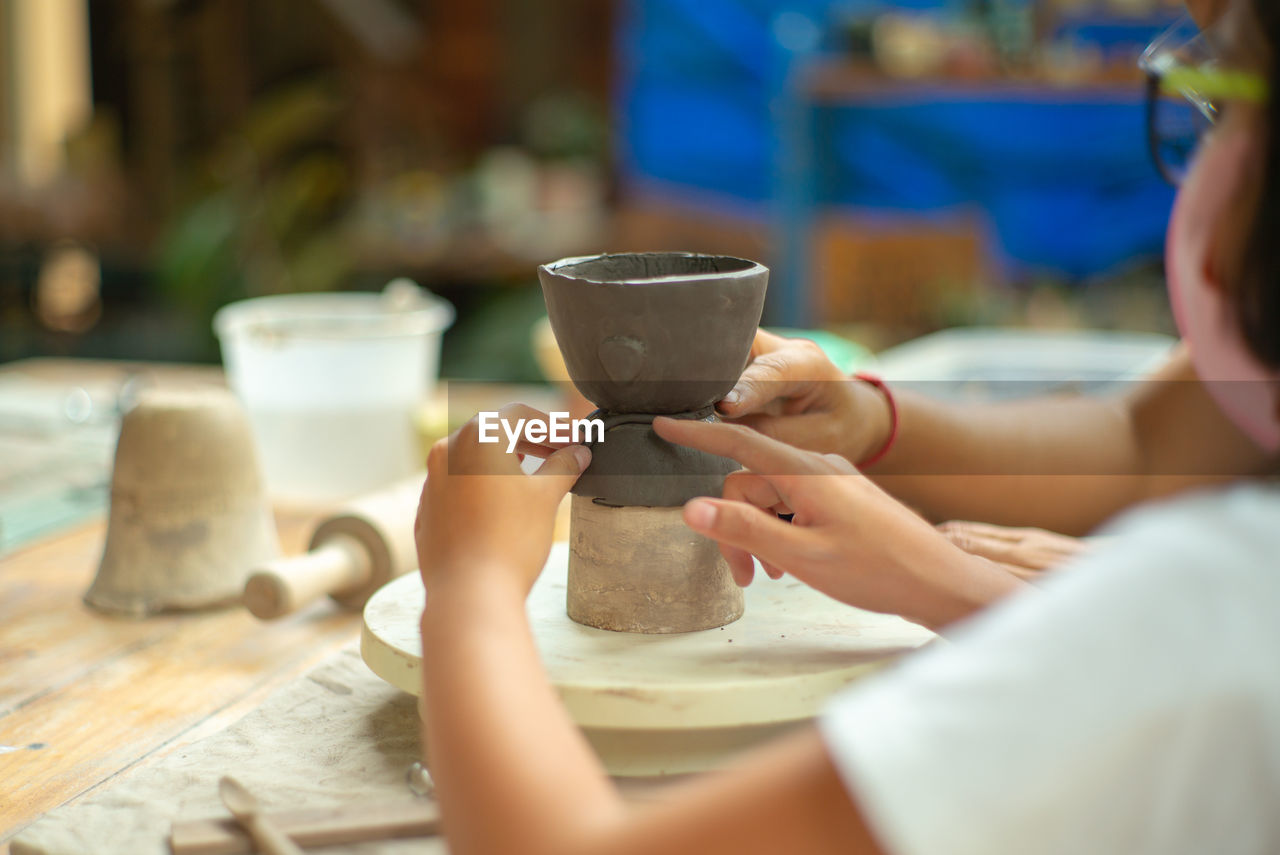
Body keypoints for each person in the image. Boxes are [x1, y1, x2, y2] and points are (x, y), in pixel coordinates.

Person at [413, 1, 1280, 852]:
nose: (1202, 151)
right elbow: (1151, 442)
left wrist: (470, 588)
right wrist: (877, 432)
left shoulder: (1214, 608)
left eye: (1218, 98)